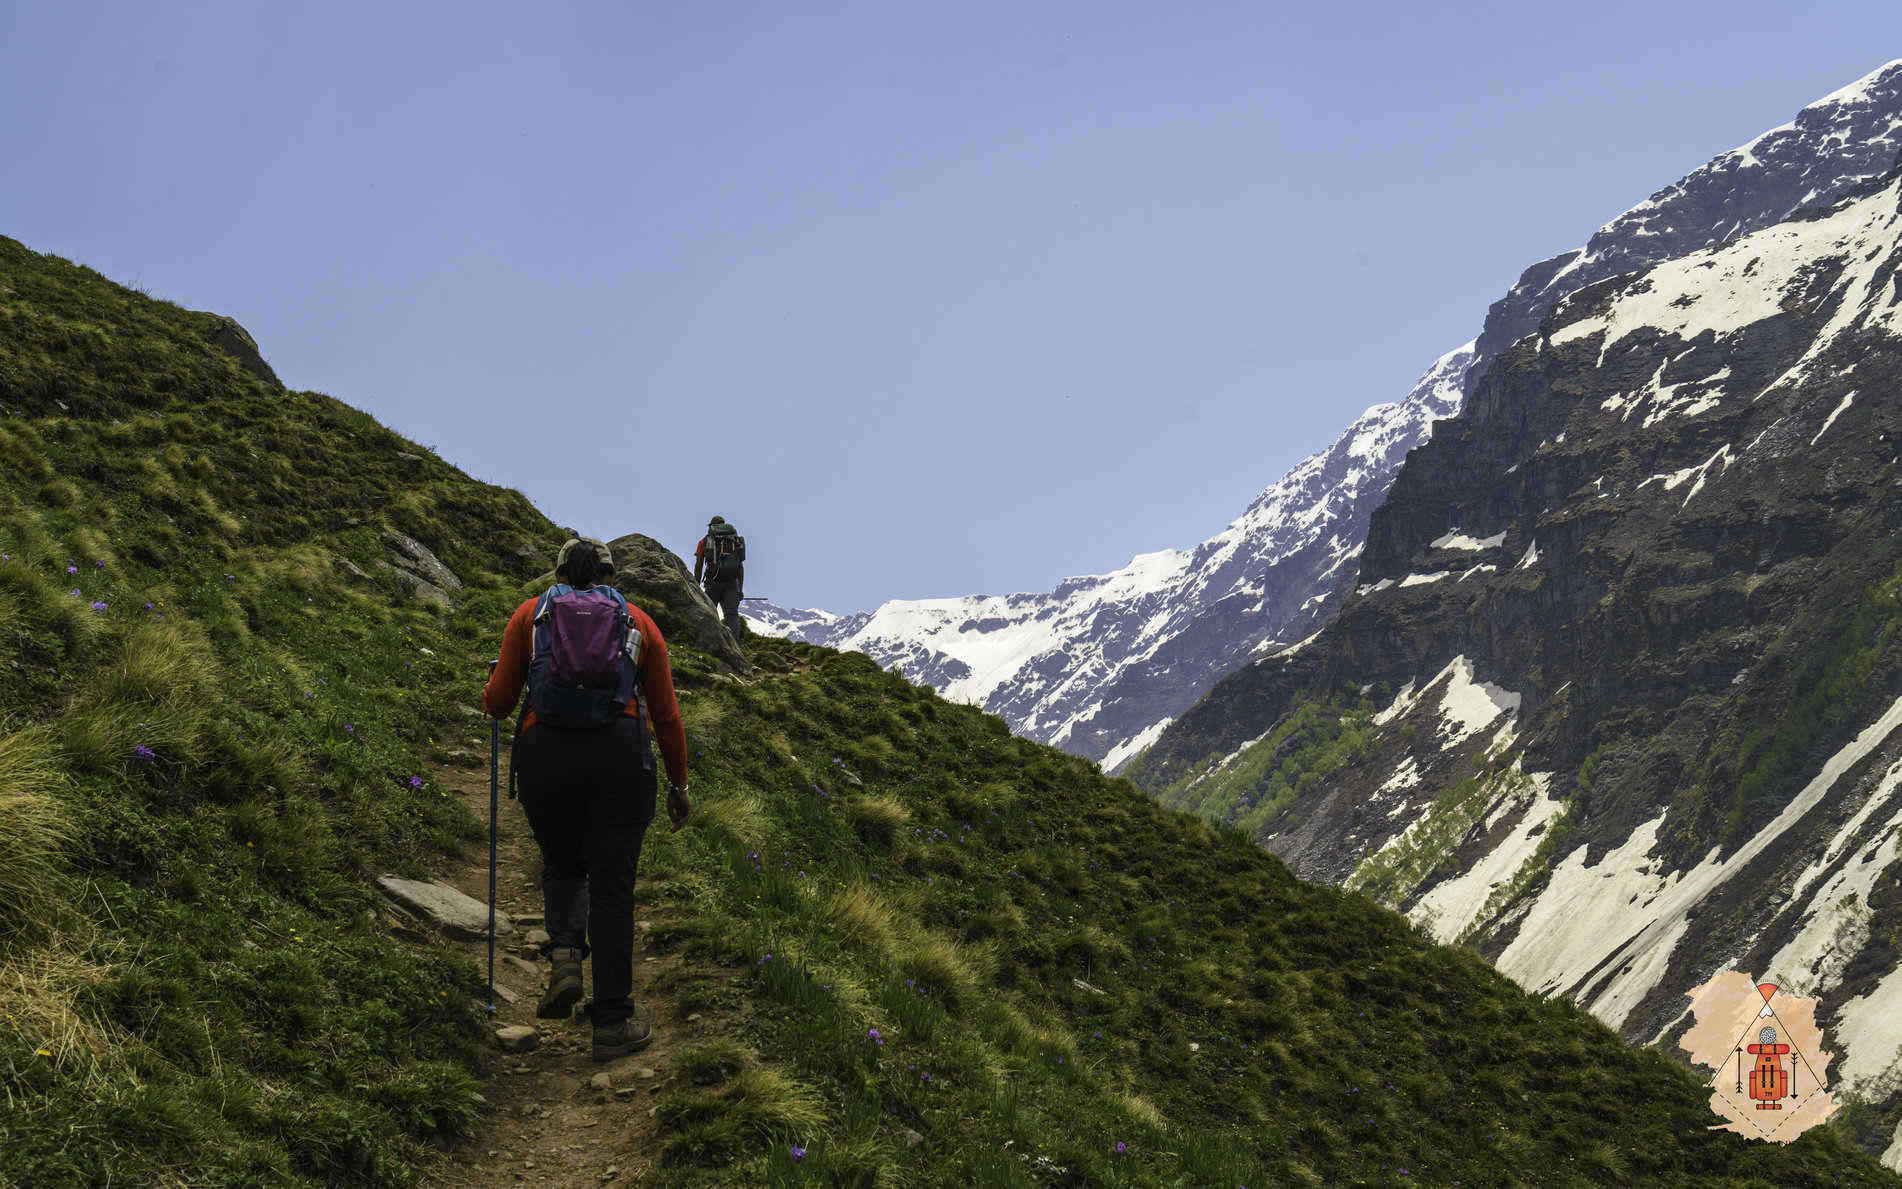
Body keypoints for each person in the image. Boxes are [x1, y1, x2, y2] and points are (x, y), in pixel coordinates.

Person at [483, 537, 692, 1061]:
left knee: (561, 862)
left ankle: (567, 958)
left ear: (558, 573)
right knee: (614, 885)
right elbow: (666, 716)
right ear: (610, 577)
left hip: (545, 757)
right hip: (620, 761)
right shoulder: (639, 623)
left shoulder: (531, 616)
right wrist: (678, 784)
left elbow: (499, 704)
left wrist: (494, 680)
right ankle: (613, 1022)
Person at [692, 515, 748, 637]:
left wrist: (696, 585)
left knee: (709, 612)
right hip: (732, 583)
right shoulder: (736, 541)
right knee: (732, 615)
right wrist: (740, 590)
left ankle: (708, 641)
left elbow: (699, 565)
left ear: (711, 526)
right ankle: (735, 647)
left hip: (713, 582)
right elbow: (740, 567)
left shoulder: (705, 541)